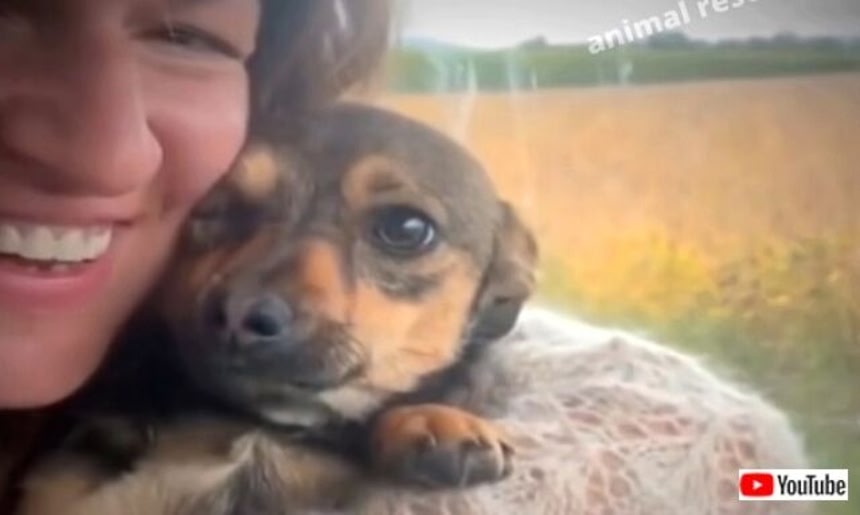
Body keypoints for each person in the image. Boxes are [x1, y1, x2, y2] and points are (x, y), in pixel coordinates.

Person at [1, 1, 811, 513]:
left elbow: (787, 480)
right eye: (235, 212)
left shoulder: (630, 419)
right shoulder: (115, 375)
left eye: (402, 230)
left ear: (499, 285)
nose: (254, 297)